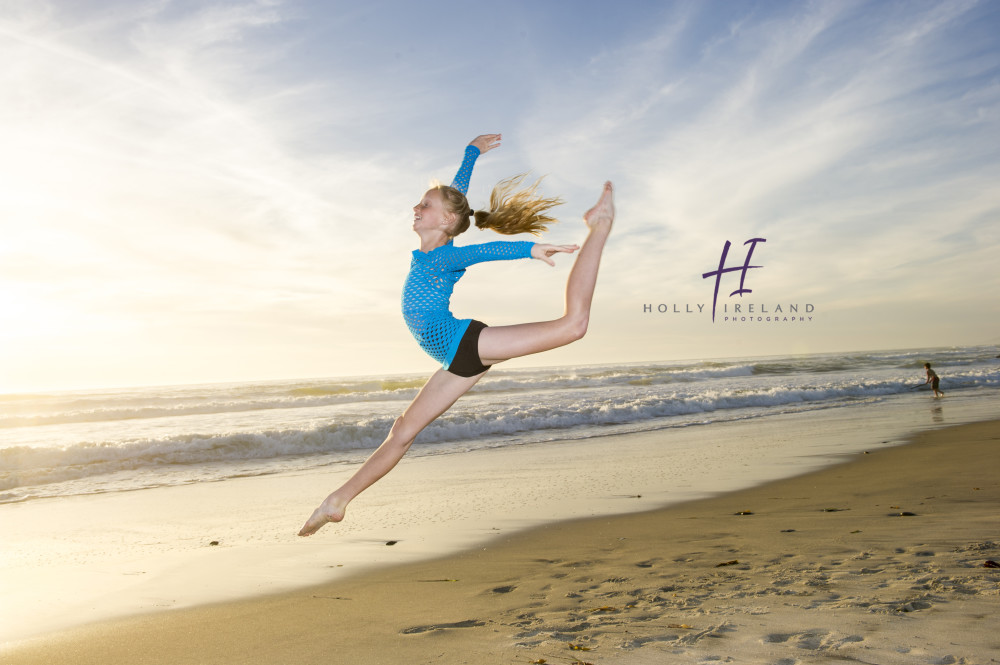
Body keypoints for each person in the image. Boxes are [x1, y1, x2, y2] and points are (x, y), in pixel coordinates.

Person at [299, 134, 614, 536]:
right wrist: (471, 153)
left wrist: (530, 249)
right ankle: (336, 502)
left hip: (465, 342)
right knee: (401, 433)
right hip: (453, 360)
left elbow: (481, 251)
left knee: (574, 326)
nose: (417, 207)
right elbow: (454, 198)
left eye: (424, 205)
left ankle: (599, 226)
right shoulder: (439, 237)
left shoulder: (446, 254)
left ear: (446, 221)